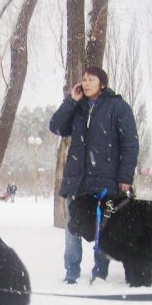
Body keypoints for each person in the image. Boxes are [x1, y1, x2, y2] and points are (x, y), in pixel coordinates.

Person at [49, 66, 139, 284]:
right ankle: (71, 273)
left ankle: (99, 273)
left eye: (91, 79)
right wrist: (71, 101)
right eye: (84, 79)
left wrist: (125, 178)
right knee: (72, 228)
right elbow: (56, 127)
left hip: (106, 181)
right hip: (77, 181)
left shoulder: (118, 107)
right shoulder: (77, 108)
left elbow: (130, 143)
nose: (86, 83)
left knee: (103, 229)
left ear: (103, 83)